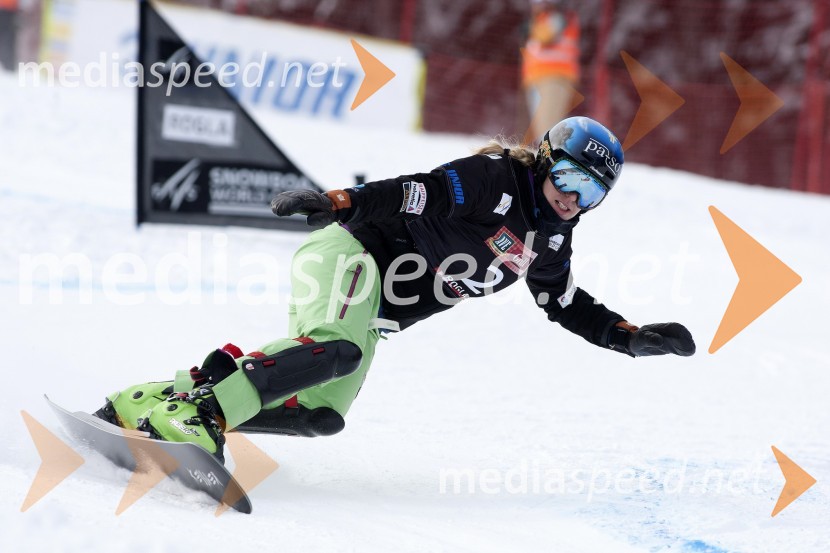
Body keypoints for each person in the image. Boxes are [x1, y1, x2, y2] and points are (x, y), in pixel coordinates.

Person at [94, 117, 696, 461]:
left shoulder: (551, 241)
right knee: (338, 349)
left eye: (589, 193)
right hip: (351, 252)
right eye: (567, 176)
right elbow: (418, 191)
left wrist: (628, 336)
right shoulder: (495, 181)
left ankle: (158, 399)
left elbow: (563, 303)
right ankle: (204, 413)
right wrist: (340, 201)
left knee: (320, 414)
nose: (571, 196)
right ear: (544, 161)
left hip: (375, 302)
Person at [522, 0, 581, 144]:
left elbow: (546, 37)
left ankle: (550, 161)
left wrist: (531, 28)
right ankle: (547, 159)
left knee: (548, 126)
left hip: (554, 78)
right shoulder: (542, 19)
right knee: (541, 127)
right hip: (538, 79)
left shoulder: (559, 18)